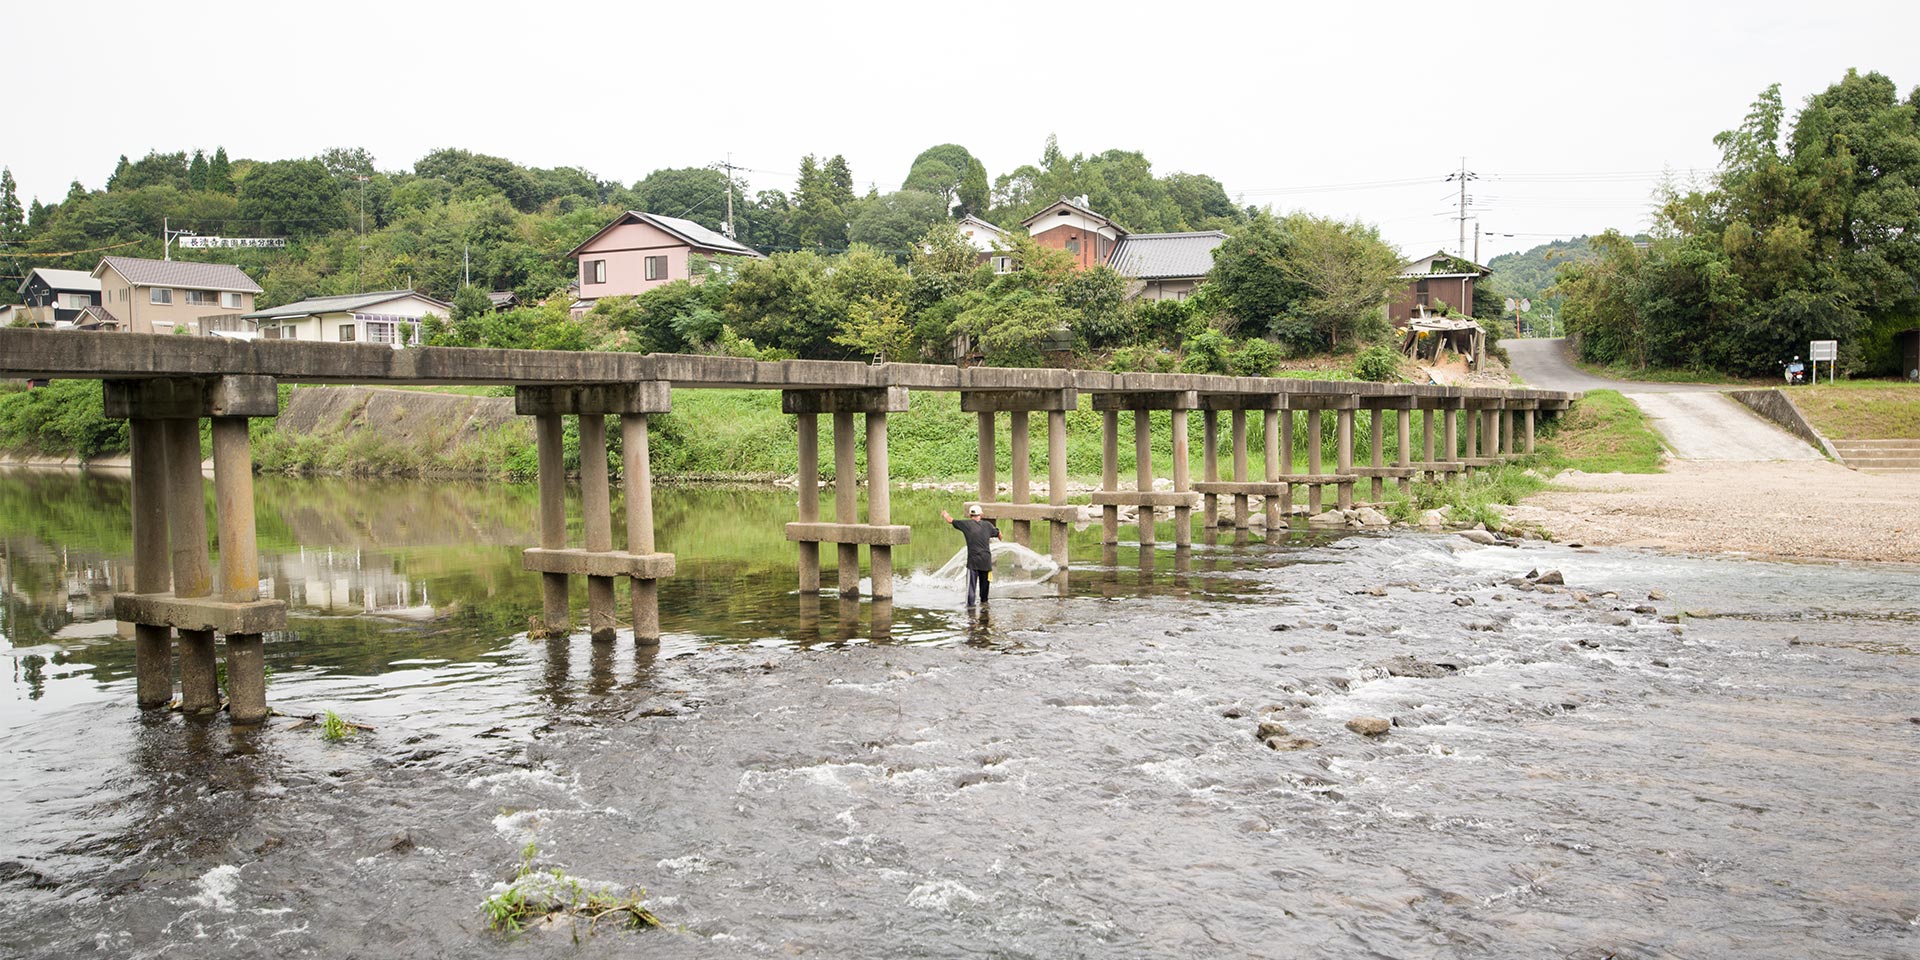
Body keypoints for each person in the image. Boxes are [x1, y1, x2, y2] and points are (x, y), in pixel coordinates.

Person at [940, 504, 1000, 606]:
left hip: (973, 563)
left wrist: (945, 514)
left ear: (969, 515)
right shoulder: (988, 525)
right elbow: (998, 534)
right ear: (981, 514)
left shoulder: (966, 524)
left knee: (970, 593)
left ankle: (971, 615)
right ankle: (984, 611)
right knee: (984, 595)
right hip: (986, 562)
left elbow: (950, 520)